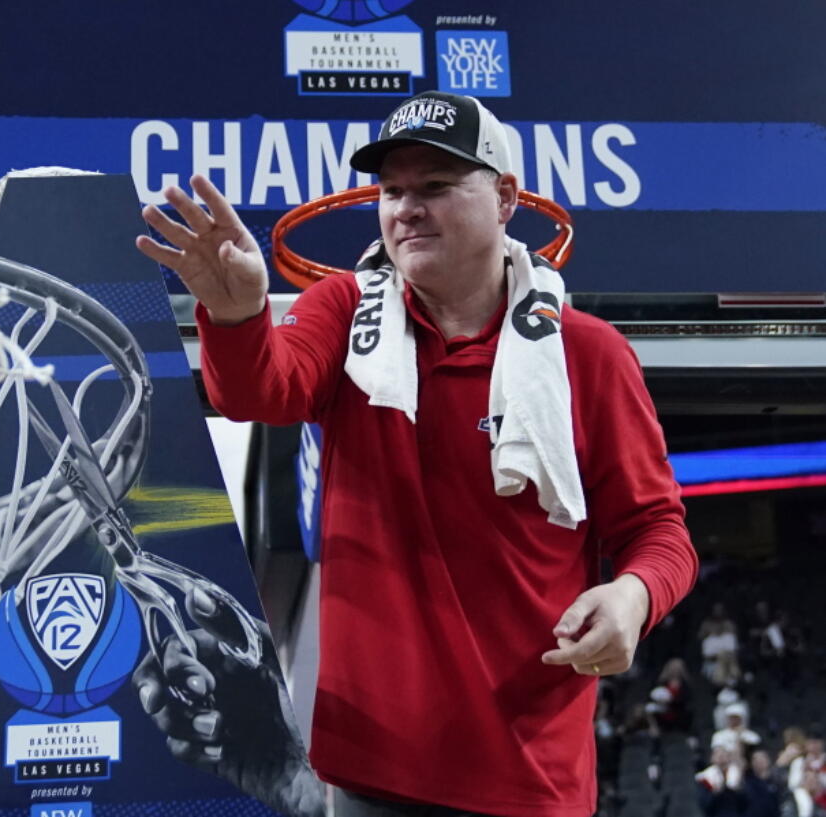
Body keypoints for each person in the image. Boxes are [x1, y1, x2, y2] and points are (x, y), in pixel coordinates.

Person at [135, 89, 698, 817]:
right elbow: (262, 393)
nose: (406, 207)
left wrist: (634, 595)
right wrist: (238, 314)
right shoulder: (343, 310)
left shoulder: (589, 354)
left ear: (504, 198)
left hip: (535, 780)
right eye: (392, 189)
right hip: (373, 774)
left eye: (435, 186)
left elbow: (660, 531)